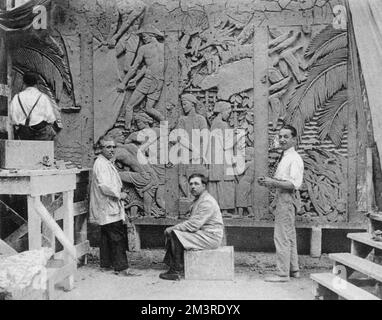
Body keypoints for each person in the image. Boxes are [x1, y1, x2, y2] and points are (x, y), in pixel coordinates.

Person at [258, 125, 304, 282]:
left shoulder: (294, 159)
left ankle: (282, 274)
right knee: (289, 235)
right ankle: (294, 269)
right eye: (280, 136)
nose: (282, 139)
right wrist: (269, 182)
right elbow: (283, 181)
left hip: (287, 198)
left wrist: (272, 182)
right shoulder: (285, 157)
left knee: (281, 236)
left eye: (286, 136)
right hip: (282, 197)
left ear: (294, 139)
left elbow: (293, 184)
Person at [89, 136, 139, 276]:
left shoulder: (105, 162)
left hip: (107, 206)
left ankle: (106, 264)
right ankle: (122, 268)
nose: (111, 149)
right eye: (108, 147)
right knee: (116, 236)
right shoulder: (101, 164)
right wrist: (119, 194)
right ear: (101, 149)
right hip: (107, 204)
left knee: (106, 235)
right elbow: (105, 187)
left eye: (113, 147)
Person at [160, 173, 224, 281]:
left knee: (175, 233)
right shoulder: (199, 199)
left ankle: (175, 271)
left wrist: (173, 228)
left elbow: (193, 225)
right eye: (191, 184)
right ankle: (175, 264)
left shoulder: (207, 201)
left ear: (204, 186)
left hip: (211, 236)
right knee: (176, 233)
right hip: (205, 233)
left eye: (196, 184)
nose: (193, 186)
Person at [117, 25, 165, 130]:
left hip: (148, 80)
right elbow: (149, 66)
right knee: (149, 108)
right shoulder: (164, 47)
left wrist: (123, 83)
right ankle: (164, 123)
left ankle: (127, 129)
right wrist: (135, 79)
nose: (143, 38)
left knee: (129, 106)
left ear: (151, 35)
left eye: (144, 36)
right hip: (160, 81)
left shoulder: (144, 48)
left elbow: (134, 67)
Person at [9, 72, 58, 140]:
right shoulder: (43, 97)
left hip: (24, 135)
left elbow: (13, 119)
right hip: (42, 134)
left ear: (24, 82)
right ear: (37, 83)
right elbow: (51, 119)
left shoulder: (17, 98)